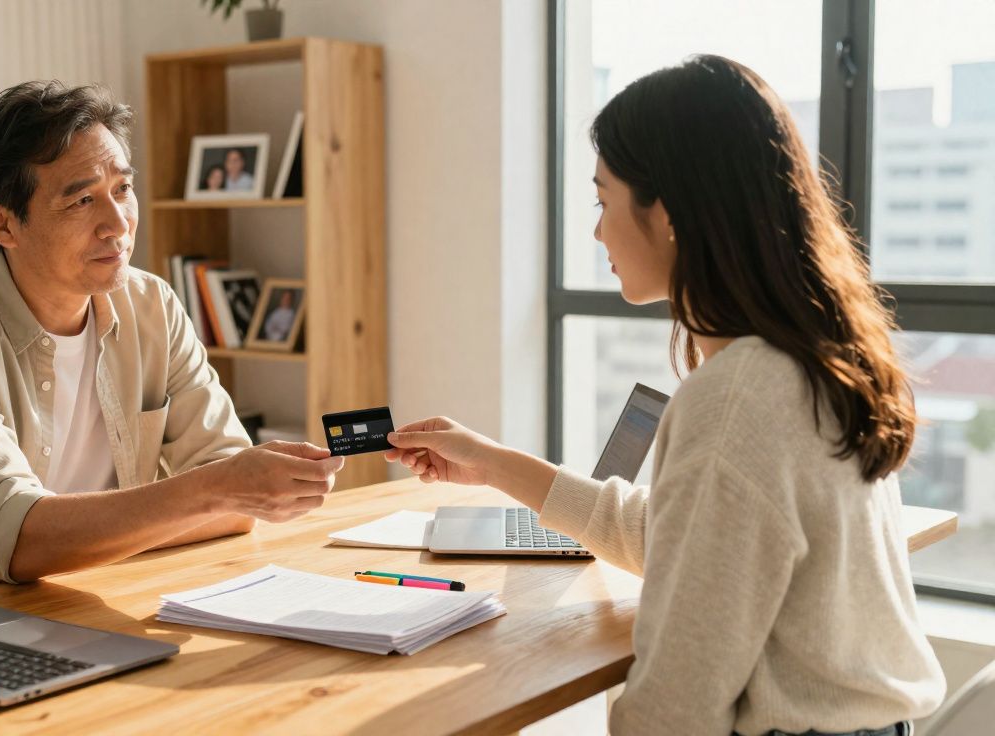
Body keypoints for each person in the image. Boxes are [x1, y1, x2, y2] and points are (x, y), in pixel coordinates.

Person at [385, 56, 944, 736]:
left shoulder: (736, 400)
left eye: (603, 200)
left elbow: (674, 711)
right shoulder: (808, 361)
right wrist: (495, 464)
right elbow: (683, 543)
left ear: (669, 212)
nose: (597, 233)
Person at [0, 81, 342, 586]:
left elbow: (238, 505)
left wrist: (54, 546)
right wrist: (209, 494)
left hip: (107, 596)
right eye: (81, 201)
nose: (117, 224)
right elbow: (14, 537)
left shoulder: (151, 306)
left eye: (122, 189)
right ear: (2, 223)